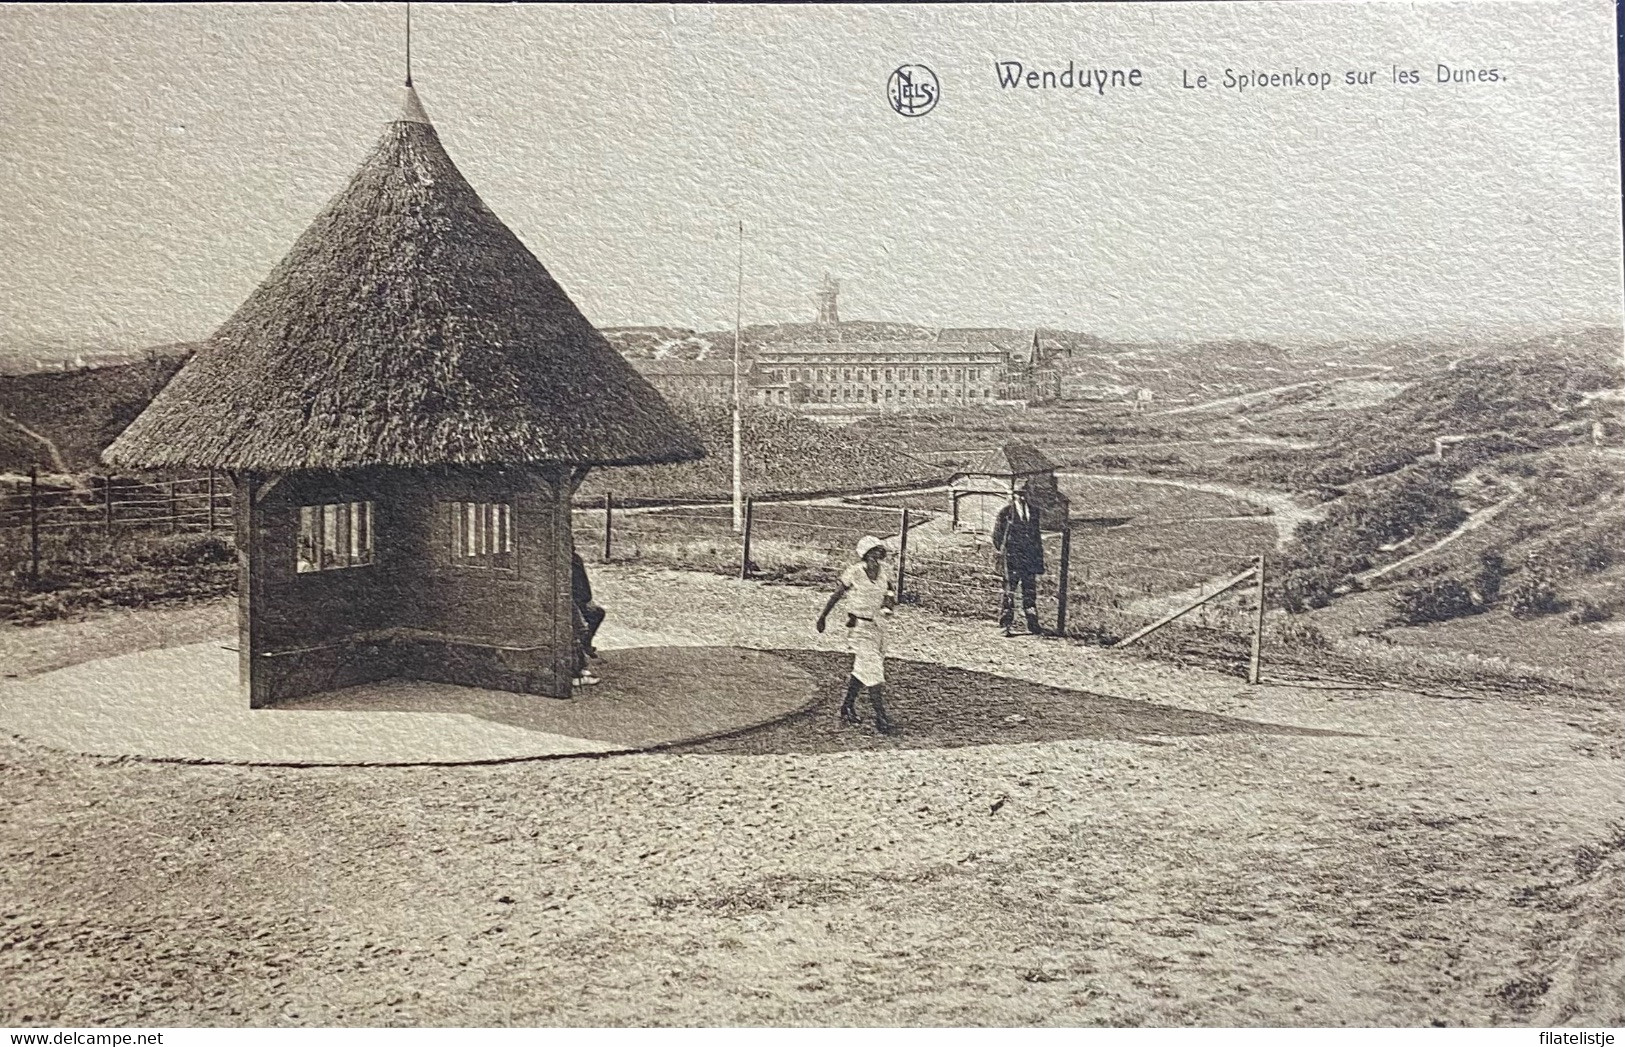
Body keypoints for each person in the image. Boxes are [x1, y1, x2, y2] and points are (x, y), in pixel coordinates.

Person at [816, 535, 899, 734]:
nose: (878, 554)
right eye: (873, 551)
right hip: (859, 627)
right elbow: (837, 595)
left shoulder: (885, 572)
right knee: (873, 670)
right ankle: (881, 717)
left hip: (878, 626)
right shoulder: (854, 572)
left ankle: (846, 706)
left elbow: (890, 593)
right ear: (865, 554)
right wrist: (823, 616)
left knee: (863, 669)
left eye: (880, 550)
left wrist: (888, 605)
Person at [991, 486, 1045, 636]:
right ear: (1013, 495)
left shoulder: (1034, 512)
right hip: (1012, 560)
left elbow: (1037, 538)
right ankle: (1006, 625)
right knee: (1009, 593)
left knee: (1030, 593)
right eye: (1018, 494)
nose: (1021, 497)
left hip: (1029, 560)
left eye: (1024, 494)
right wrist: (1008, 551)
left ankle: (1033, 624)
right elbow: (996, 537)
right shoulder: (1006, 513)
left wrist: (1037, 559)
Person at [571, 552, 606, 687]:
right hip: (568, 600)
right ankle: (576, 672)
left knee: (596, 614)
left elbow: (582, 587)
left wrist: (585, 601)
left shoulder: (574, 558)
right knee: (579, 628)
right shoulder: (564, 558)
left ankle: (585, 648)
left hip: (577, 600)